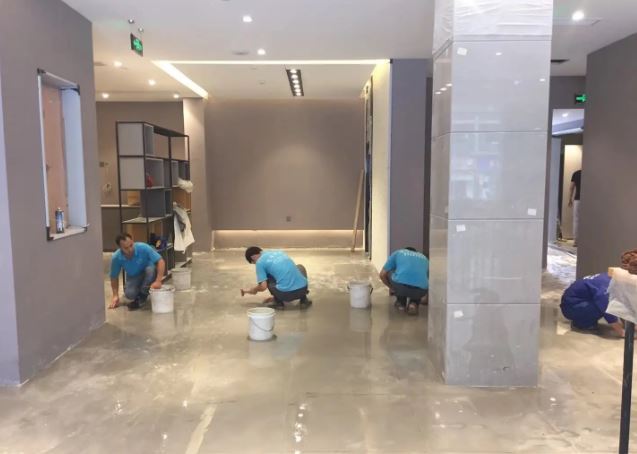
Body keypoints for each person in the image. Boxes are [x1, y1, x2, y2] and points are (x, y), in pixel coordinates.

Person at [241, 247, 311, 310]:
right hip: (302, 291)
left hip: (286, 295)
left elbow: (263, 286)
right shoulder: (278, 251)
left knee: (267, 276)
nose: (255, 264)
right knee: (300, 267)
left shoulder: (260, 262)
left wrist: (255, 289)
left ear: (252, 257)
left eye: (254, 263)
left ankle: (278, 302)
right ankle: (304, 300)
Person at [109, 233, 166, 311]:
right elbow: (114, 277)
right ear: (120, 248)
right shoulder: (116, 257)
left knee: (150, 271)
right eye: (126, 248)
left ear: (133, 241)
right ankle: (143, 291)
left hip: (149, 272)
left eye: (131, 245)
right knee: (129, 294)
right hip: (133, 276)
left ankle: (142, 295)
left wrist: (158, 281)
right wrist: (115, 295)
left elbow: (160, 261)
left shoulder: (143, 247)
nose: (130, 249)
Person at [560, 273, 625, 337]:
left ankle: (586, 320)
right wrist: (621, 332)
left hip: (575, 302)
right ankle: (581, 323)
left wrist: (627, 324)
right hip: (570, 307)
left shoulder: (611, 278)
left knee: (606, 303)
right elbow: (606, 308)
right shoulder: (607, 287)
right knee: (600, 306)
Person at [380, 247, 429, 315]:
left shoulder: (398, 252)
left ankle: (401, 303)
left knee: (390, 272)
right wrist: (426, 298)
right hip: (421, 290)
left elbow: (382, 274)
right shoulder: (424, 258)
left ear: (405, 250)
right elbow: (429, 279)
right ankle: (413, 303)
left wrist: (392, 288)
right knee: (420, 279)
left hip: (400, 287)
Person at [568, 169, 582, 247]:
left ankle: (576, 241)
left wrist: (569, 199)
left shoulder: (576, 173)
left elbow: (571, 187)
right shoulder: (590, 174)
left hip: (578, 200)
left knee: (576, 220)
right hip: (589, 200)